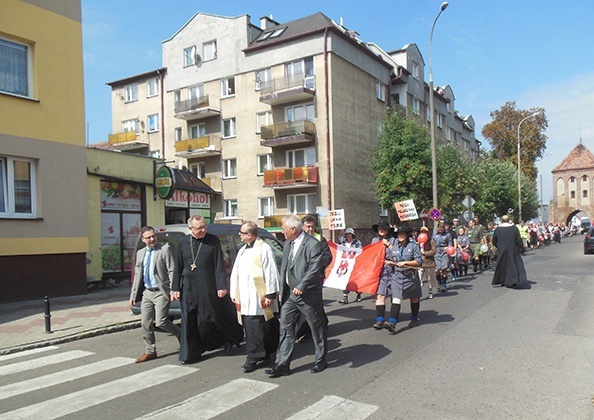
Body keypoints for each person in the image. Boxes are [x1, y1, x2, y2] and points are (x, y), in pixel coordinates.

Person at [172, 215, 243, 364]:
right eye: (200, 228)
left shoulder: (212, 241)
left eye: (205, 227)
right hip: (188, 288)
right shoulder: (183, 243)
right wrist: (175, 288)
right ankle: (190, 354)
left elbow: (219, 265)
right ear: (190, 228)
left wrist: (222, 286)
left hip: (208, 286)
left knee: (211, 317)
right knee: (188, 320)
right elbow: (177, 266)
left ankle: (227, 340)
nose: (203, 230)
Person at [266, 214, 328, 377]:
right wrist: (281, 290)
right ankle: (282, 364)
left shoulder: (313, 244)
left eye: (284, 228)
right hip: (289, 296)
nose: (282, 231)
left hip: (307, 295)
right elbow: (284, 268)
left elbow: (315, 268)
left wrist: (302, 286)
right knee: (285, 328)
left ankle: (321, 360)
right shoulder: (287, 243)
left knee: (316, 328)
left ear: (293, 229)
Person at [230, 221, 280, 373]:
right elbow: (236, 272)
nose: (240, 235)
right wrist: (234, 293)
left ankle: (253, 356)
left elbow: (270, 270)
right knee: (252, 325)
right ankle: (262, 353)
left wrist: (270, 294)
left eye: (242, 233)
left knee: (258, 325)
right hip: (245, 295)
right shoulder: (243, 250)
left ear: (250, 235)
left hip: (259, 296)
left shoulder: (264, 248)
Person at [130, 226, 181, 363]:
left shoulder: (164, 249)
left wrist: (173, 290)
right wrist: (133, 295)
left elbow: (172, 270)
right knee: (145, 323)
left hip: (161, 292)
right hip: (147, 292)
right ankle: (150, 351)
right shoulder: (141, 253)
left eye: (153, 236)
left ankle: (181, 335)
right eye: (148, 237)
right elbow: (137, 275)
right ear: (143, 239)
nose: (152, 239)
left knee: (161, 321)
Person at [381, 226, 423, 332]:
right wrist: (390, 263)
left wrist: (406, 263)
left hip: (411, 277)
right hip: (397, 277)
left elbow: (419, 262)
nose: (400, 235)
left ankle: (414, 318)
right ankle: (392, 322)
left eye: (402, 233)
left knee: (414, 298)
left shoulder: (413, 246)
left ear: (407, 235)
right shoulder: (394, 246)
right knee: (396, 298)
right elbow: (393, 260)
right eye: (398, 233)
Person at [371, 221, 398, 329]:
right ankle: (380, 320)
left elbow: (397, 254)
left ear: (388, 230)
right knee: (380, 295)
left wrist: (388, 245)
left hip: (393, 271)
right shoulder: (375, 240)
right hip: (380, 272)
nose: (381, 230)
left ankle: (393, 317)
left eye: (383, 228)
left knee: (393, 296)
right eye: (379, 228)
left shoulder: (394, 240)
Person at [491, 215, 528, 289]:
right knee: (512, 265)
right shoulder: (514, 228)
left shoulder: (498, 229)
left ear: (501, 220)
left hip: (502, 250)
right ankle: (512, 280)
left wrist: (499, 246)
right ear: (509, 220)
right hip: (512, 249)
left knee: (502, 265)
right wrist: (521, 249)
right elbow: (519, 239)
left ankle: (502, 280)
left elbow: (494, 240)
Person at [338, 228, 363, 304]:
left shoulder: (357, 242)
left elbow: (360, 251)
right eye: (347, 234)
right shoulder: (343, 243)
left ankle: (358, 294)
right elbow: (339, 251)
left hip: (355, 263)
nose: (348, 235)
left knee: (356, 280)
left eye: (349, 234)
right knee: (345, 279)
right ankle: (345, 297)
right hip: (346, 264)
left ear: (352, 235)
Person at [433, 221, 453, 292]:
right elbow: (433, 243)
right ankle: (439, 282)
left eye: (442, 228)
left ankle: (444, 284)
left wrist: (448, 248)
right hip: (437, 252)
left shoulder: (448, 235)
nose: (440, 229)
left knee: (444, 269)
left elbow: (450, 244)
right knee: (436, 270)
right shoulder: (435, 235)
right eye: (439, 228)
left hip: (445, 252)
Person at [418, 226, 437, 299]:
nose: (423, 233)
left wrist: (424, 253)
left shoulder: (431, 241)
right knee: (418, 278)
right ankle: (418, 293)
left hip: (429, 263)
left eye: (425, 232)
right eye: (422, 232)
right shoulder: (418, 241)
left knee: (429, 279)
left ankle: (430, 291)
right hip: (420, 263)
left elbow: (433, 251)